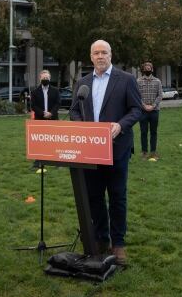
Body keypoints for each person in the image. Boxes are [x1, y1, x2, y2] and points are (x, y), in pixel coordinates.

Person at [69, 40, 143, 265]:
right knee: (94, 197)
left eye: (104, 52)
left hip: (117, 149)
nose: (100, 56)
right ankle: (101, 239)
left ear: (111, 55)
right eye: (96, 53)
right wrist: (82, 126)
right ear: (90, 57)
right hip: (91, 151)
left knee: (117, 197)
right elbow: (74, 111)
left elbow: (136, 109)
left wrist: (120, 125)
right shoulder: (82, 83)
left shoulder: (127, 79)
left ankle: (118, 244)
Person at [137, 61, 162, 160]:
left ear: (152, 69)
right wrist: (144, 106)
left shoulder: (157, 81)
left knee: (153, 132)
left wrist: (153, 105)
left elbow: (160, 95)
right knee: (143, 132)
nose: (147, 69)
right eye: (146, 68)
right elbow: (136, 96)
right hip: (142, 111)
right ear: (143, 69)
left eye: (149, 68)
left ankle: (153, 152)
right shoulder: (138, 81)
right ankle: (144, 152)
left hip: (154, 111)